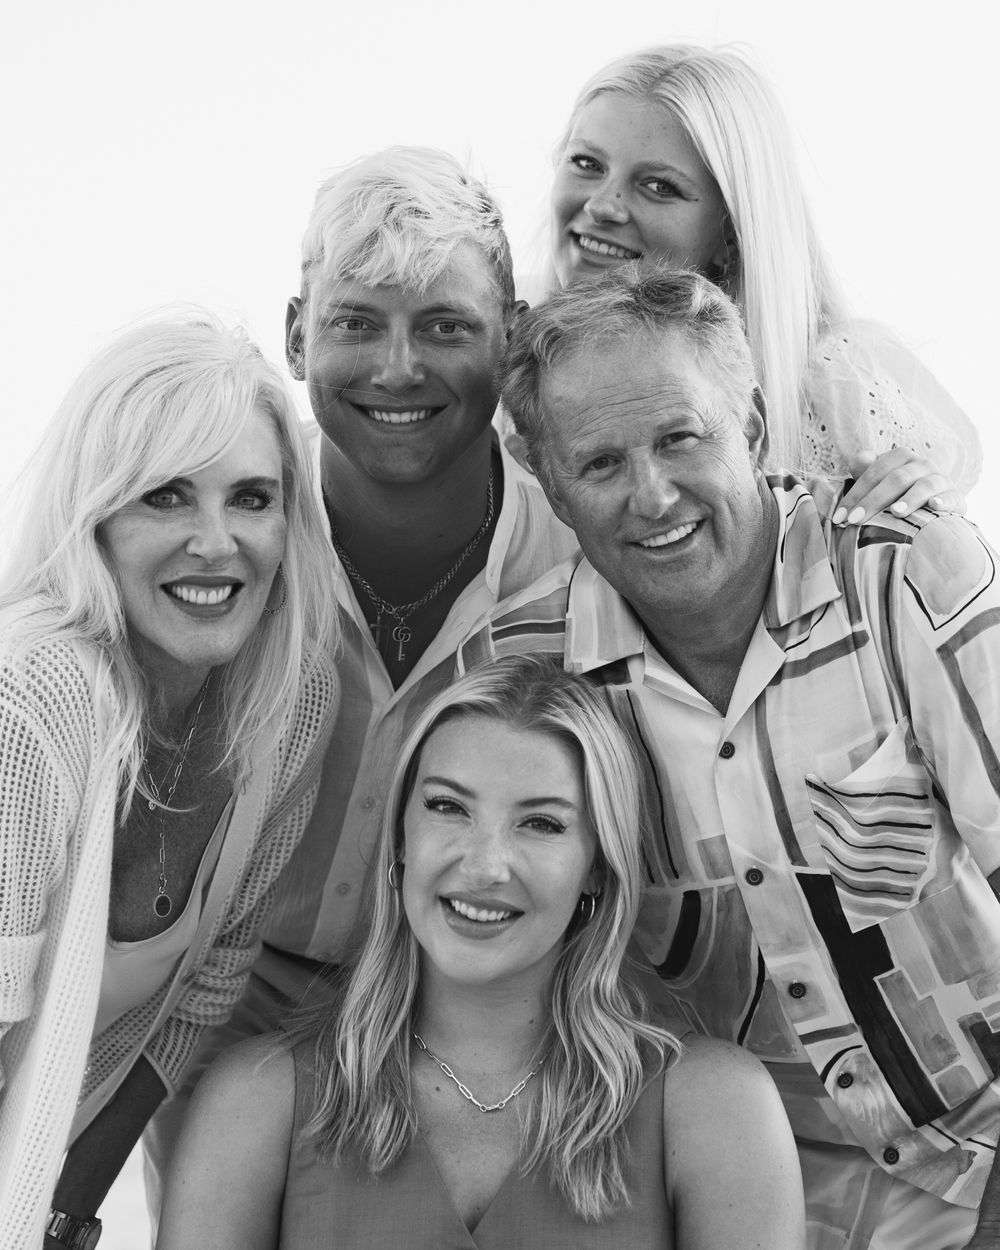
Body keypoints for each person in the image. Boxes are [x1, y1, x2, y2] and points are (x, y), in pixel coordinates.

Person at [141, 146, 970, 1220]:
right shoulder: (231, 525)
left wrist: (911, 479)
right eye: (357, 323)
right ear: (298, 334)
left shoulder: (583, 567)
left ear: (505, 339)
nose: (399, 368)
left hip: (515, 1013)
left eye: (446, 326)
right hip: (229, 993)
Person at [459, 267, 1000, 1249]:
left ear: (749, 429)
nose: (653, 494)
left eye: (681, 437)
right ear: (549, 483)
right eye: (602, 462)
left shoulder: (904, 572)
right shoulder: (524, 672)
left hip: (981, 1157)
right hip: (735, 1197)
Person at [156, 655, 805, 1249]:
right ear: (401, 837)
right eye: (449, 807)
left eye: (541, 823)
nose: (485, 866)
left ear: (597, 868)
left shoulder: (714, 1108)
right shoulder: (257, 1101)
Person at [0, 313, 338, 1250]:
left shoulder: (290, 703)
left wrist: (67, 1215)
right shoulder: (31, 699)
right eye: (167, 497)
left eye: (252, 498)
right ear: (97, 516)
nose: (216, 543)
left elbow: (194, 998)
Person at [538, 43, 981, 501]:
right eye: (587, 163)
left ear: (732, 232)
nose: (602, 206)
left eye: (659, 186)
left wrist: (925, 512)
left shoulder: (832, 387)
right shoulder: (502, 346)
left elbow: (933, 535)